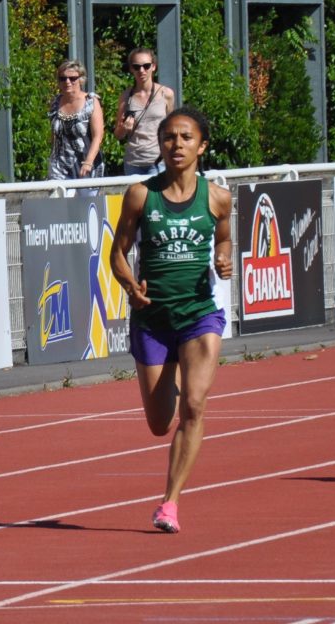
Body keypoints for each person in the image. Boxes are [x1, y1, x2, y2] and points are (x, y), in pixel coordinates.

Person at [109, 106, 233, 534]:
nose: (176, 145)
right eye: (169, 138)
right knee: (160, 423)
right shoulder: (141, 195)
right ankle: (172, 369)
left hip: (200, 316)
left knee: (194, 407)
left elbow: (224, 239)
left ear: (202, 146)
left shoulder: (216, 197)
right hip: (153, 319)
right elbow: (117, 254)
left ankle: (170, 504)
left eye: (185, 138)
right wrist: (130, 286)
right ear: (160, 146)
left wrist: (224, 257)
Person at [112, 48, 177, 176]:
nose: (141, 71)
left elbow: (172, 128)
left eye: (146, 66)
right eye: (136, 67)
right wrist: (124, 128)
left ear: (153, 67)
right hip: (133, 162)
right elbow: (118, 135)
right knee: (137, 196)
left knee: (157, 196)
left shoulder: (166, 94)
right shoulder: (126, 97)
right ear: (131, 69)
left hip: (158, 161)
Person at [48, 59, 105, 182]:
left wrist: (89, 162)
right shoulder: (55, 102)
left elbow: (98, 136)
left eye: (72, 78)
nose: (67, 82)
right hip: (59, 166)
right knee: (59, 200)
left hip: (86, 163)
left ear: (81, 79)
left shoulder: (91, 102)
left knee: (87, 201)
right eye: (63, 78)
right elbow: (54, 135)